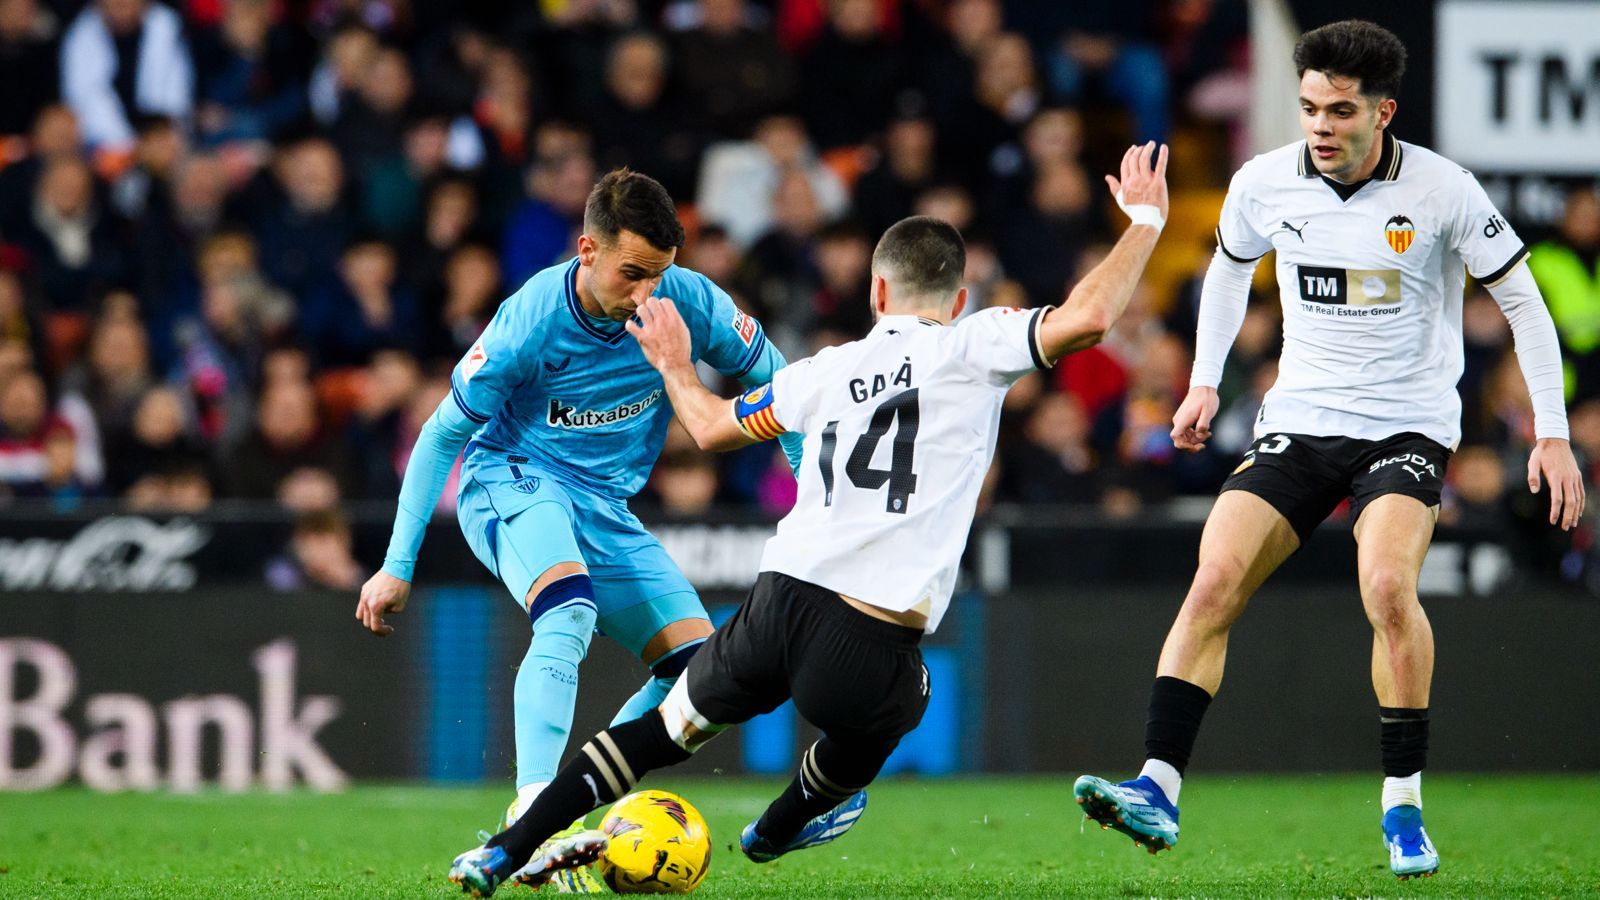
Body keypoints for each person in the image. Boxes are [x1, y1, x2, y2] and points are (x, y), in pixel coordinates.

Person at [446, 141, 1170, 896]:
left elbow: (714, 428)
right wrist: (1145, 220)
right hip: (870, 635)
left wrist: (673, 365)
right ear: (957, 300)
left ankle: (503, 849)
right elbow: (1088, 318)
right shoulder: (973, 345)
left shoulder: (824, 369)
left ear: (878, 293)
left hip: (775, 605)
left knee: (657, 737)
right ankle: (785, 822)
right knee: (896, 711)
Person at [1071, 20, 1584, 881]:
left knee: (1386, 584)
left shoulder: (1444, 190)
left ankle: (1404, 803)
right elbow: (1231, 270)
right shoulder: (1263, 183)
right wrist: (1204, 381)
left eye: (1340, 110)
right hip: (1302, 418)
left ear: (1383, 112)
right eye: (1309, 106)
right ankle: (1157, 786)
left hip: (1408, 423)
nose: (1319, 125)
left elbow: (1526, 306)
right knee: (1214, 578)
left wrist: (1554, 433)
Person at [354, 168, 805, 892]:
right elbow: (441, 437)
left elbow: (785, 389)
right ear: (586, 247)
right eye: (631, 274)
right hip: (510, 476)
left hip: (604, 505)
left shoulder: (685, 302)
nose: (644, 296)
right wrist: (396, 564)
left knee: (702, 678)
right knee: (568, 611)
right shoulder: (530, 319)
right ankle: (533, 814)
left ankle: (591, 819)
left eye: (658, 275)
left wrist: (814, 498)